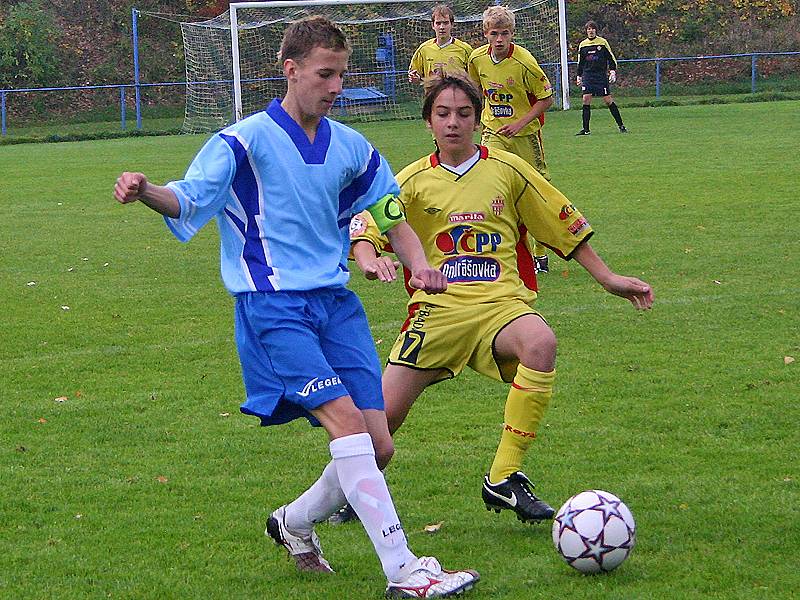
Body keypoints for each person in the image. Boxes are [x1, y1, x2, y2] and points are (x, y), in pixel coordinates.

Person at [113, 16, 479, 599]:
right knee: (347, 423)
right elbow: (187, 198)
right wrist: (143, 191)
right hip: (273, 306)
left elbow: (388, 212)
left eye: (342, 75)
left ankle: (294, 523)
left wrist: (417, 262)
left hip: (336, 304)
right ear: (291, 70)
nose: (337, 87)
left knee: (378, 444)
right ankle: (406, 571)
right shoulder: (243, 141)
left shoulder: (352, 145)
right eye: (325, 75)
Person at [339, 72, 653, 527]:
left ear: (478, 117)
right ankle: (346, 493)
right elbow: (369, 226)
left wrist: (607, 278)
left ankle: (503, 476)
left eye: (463, 114)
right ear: (428, 121)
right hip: (437, 314)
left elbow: (557, 220)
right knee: (380, 428)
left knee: (540, 342)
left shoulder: (507, 170)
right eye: (442, 114)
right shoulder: (409, 180)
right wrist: (368, 259)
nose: (453, 123)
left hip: (500, 307)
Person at [467, 5, 552, 274]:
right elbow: (475, 91)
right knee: (492, 185)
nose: (500, 39)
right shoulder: (477, 59)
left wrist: (520, 123)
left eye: (505, 33)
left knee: (535, 191)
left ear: (512, 33)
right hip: (493, 132)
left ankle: (541, 253)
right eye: (495, 34)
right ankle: (503, 250)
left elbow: (546, 99)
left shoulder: (525, 62)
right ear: (485, 34)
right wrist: (475, 119)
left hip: (525, 137)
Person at [575, 20, 627, 135]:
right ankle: (586, 129)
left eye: (593, 28)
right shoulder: (583, 45)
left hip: (600, 75)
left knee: (608, 100)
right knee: (586, 99)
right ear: (586, 31)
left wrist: (612, 71)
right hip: (588, 75)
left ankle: (621, 125)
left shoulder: (602, 43)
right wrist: (579, 75)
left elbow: (611, 58)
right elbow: (581, 62)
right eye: (589, 29)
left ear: (596, 30)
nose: (591, 31)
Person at [408, 4, 473, 85]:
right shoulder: (424, 49)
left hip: (457, 96)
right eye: (438, 23)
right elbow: (416, 76)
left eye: (445, 23)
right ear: (433, 25)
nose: (442, 27)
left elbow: (474, 78)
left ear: (452, 24)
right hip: (433, 96)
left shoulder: (465, 49)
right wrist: (415, 78)